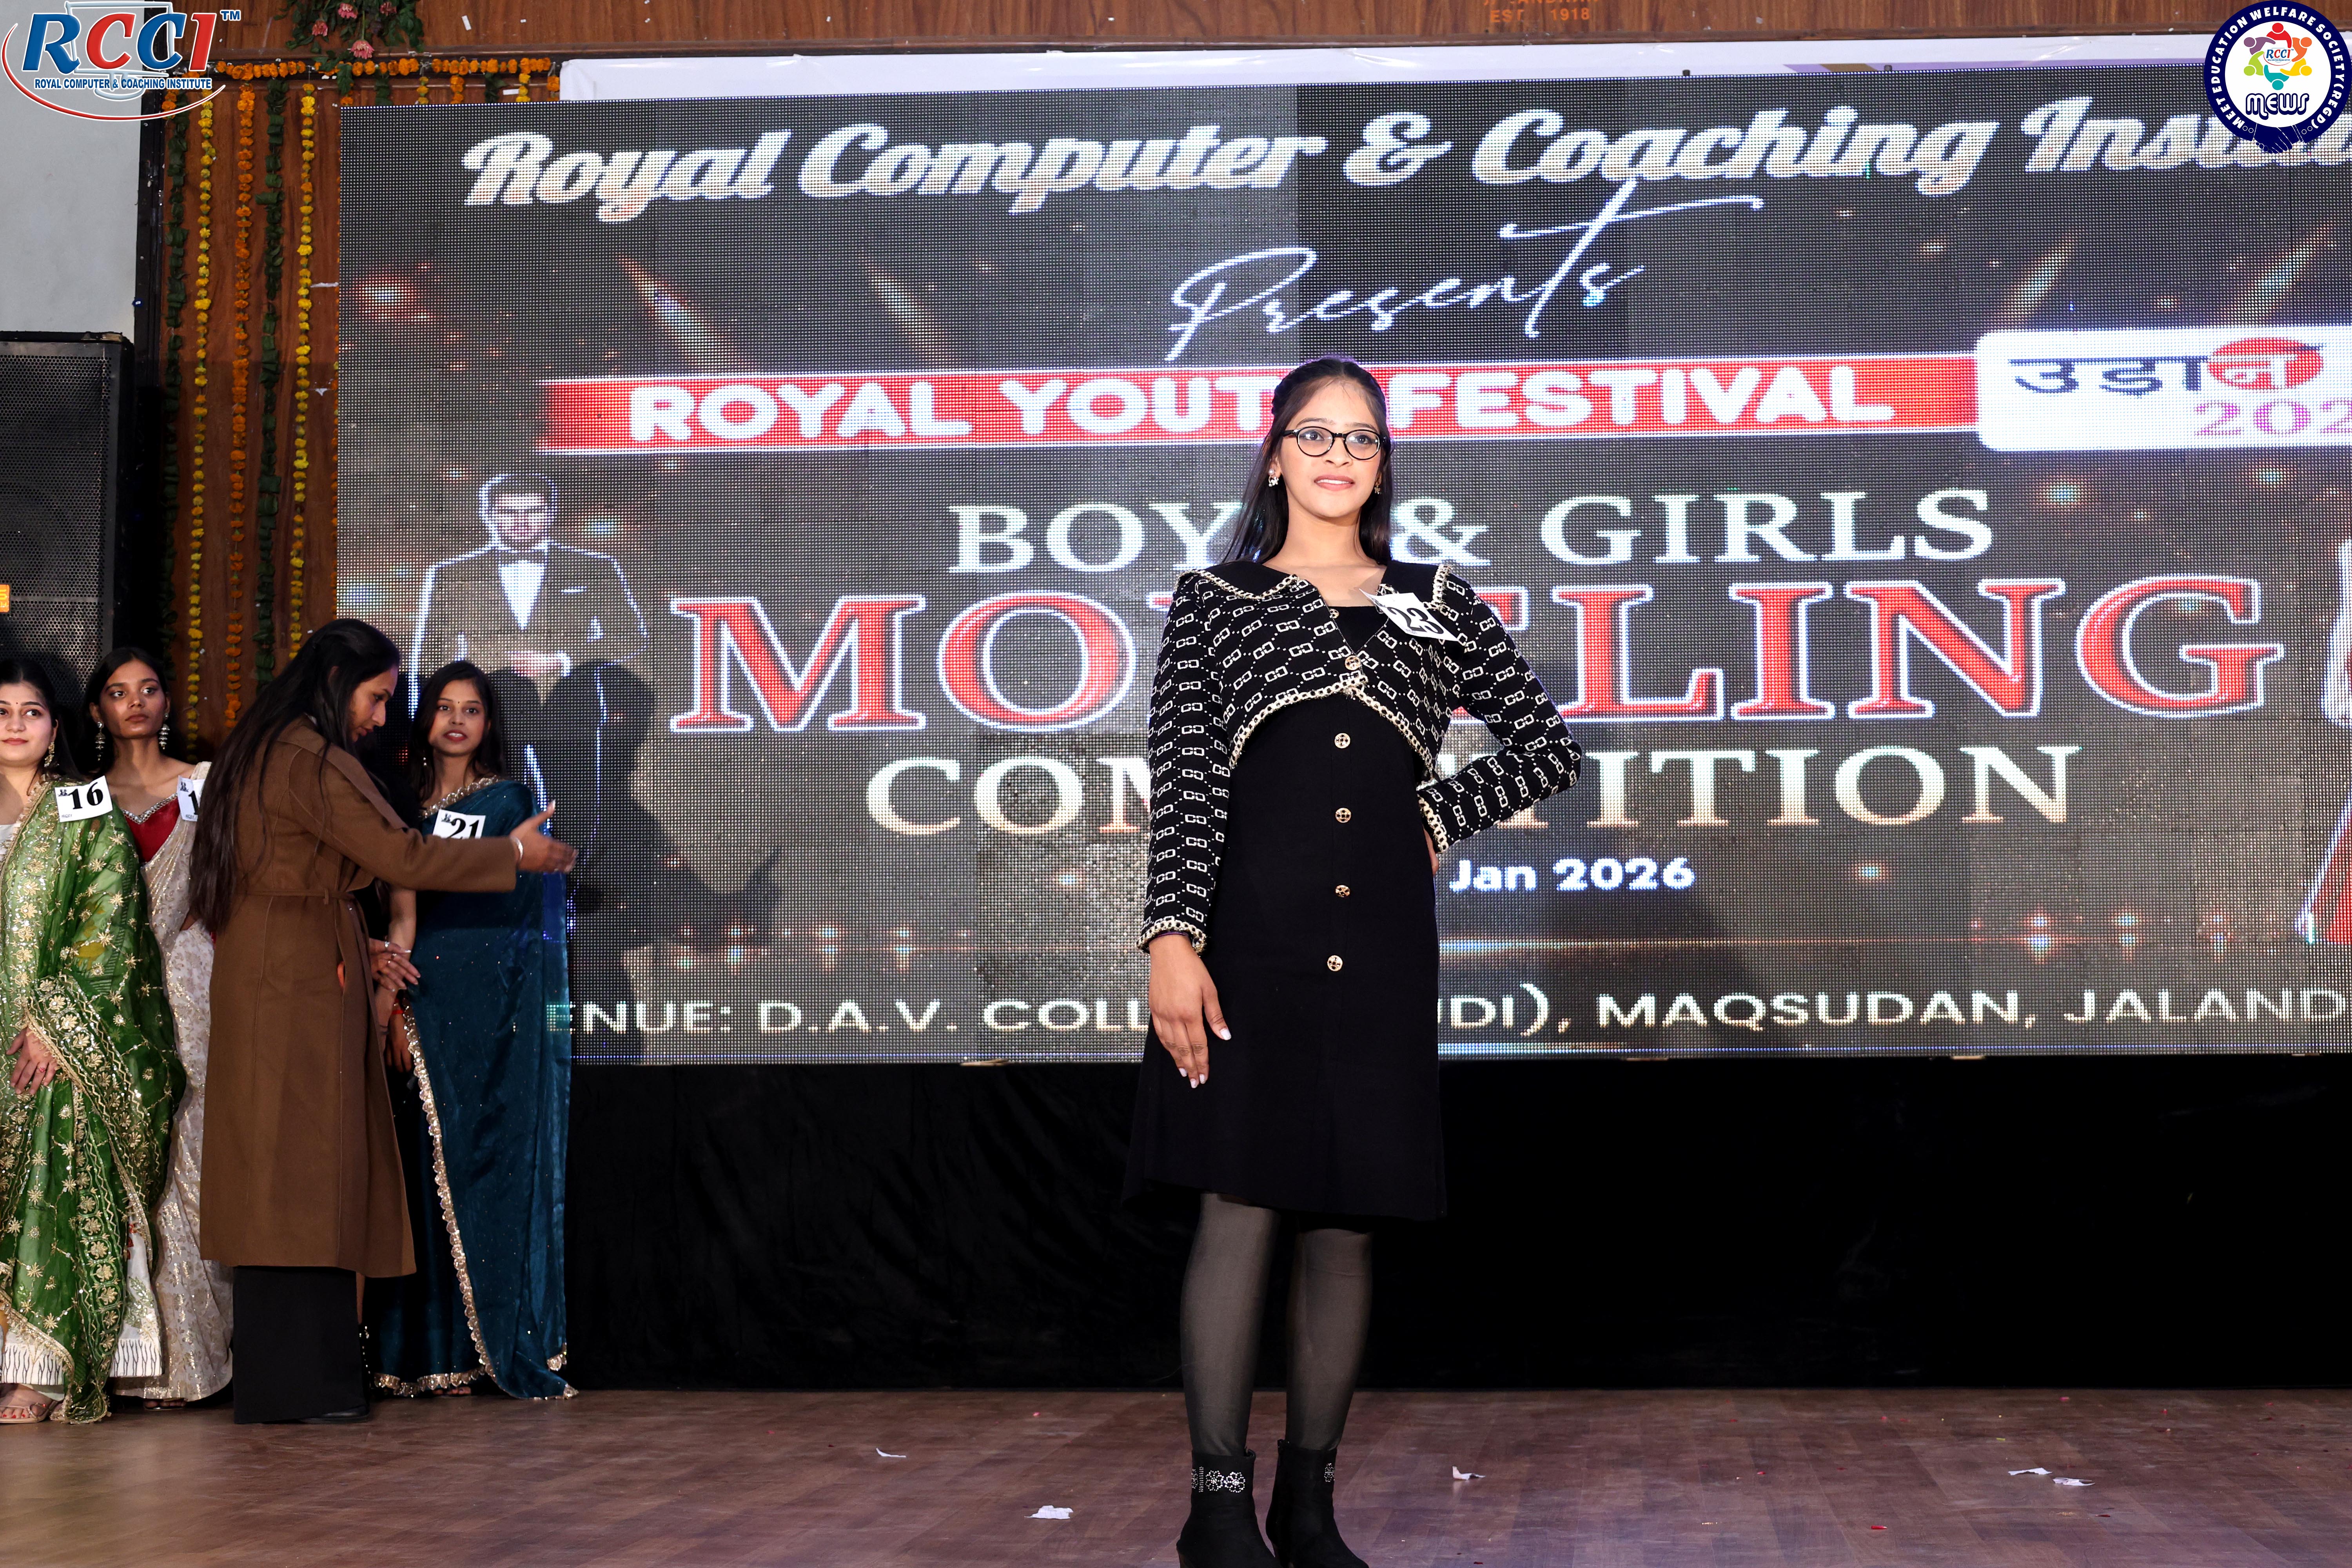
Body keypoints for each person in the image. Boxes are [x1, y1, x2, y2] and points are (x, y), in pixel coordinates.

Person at [1128, 358, 1582, 1567]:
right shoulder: (1216, 601)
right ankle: (1216, 1507)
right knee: (1238, 1207)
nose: (1339, 455)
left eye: (1363, 438)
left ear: (1384, 464)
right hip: (1249, 943)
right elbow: (1186, 785)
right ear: (1275, 454)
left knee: (1346, 1227)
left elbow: (1544, 747)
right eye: (1315, 434)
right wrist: (1171, 939)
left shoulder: (1436, 600)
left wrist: (1433, 815)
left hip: (1379, 946)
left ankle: (1308, 1506)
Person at [190, 619, 577, 1425]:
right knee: (304, 1170)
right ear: (338, 681)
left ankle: (300, 1379)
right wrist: (513, 856)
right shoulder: (310, 754)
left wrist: (349, 937)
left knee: (290, 1171)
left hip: (287, 957)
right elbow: (402, 855)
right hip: (295, 978)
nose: (379, 717)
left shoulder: (270, 747)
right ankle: (300, 1382)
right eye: (375, 698)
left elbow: (290, 872)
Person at [365, 660, 572, 1400]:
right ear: (423, 719)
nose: (456, 721)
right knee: (417, 1176)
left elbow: (514, 919)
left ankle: (481, 1347)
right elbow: (397, 909)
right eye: (444, 707)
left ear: (490, 724)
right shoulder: (395, 802)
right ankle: (420, 1354)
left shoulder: (509, 802)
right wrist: (393, 1002)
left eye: (472, 710)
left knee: (479, 1167)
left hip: (483, 1015)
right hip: (415, 999)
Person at [0, 657, 182, 1425]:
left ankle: (39, 1371)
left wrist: (55, 1025)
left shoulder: (81, 808)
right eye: (1, 710)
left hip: (49, 1041)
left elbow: (111, 926)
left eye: (32, 711)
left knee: (49, 1182)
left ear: (56, 727)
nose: (15, 724)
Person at [85, 647, 230, 1408]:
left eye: (147, 689)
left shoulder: (205, 783)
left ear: (166, 701)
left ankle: (197, 1357)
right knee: (115, 1159)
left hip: (193, 982)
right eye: (118, 692)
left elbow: (235, 876)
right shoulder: (79, 799)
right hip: (108, 993)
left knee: (194, 1154)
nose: (135, 702)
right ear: (97, 711)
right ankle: (127, 1358)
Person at [407, 472, 646, 849]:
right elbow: (431, 654)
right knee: (486, 799)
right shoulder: (454, 573)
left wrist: (562, 660)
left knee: (577, 801)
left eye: (533, 511)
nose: (521, 521)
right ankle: (483, 867)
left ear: (551, 514)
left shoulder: (593, 567)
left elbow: (631, 636)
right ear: (489, 515)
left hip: (571, 707)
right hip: (492, 711)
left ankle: (576, 869)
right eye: (509, 512)